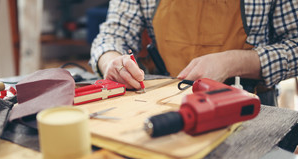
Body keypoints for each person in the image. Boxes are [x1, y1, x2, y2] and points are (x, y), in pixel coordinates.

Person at [89, 0, 298, 106]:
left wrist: (232, 62)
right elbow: (112, 35)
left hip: (251, 107)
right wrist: (112, 62)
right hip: (164, 104)